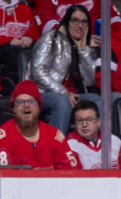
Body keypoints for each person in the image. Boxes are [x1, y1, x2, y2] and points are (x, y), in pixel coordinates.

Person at [29, 5, 101, 137]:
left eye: (84, 22)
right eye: (75, 20)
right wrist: (64, 92)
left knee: (96, 100)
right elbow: (37, 71)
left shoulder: (87, 45)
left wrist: (83, 50)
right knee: (63, 101)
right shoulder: (50, 38)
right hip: (43, 94)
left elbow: (90, 81)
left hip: (72, 95)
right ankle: (56, 145)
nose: (80, 26)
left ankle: (96, 144)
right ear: (67, 22)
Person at [0, 80, 79, 169]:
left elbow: (71, 170)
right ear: (13, 108)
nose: (26, 105)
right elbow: (3, 174)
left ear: (39, 107)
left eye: (31, 102)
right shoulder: (2, 138)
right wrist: (33, 175)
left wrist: (51, 174)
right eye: (20, 102)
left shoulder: (55, 135)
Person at [0, 0, 41, 96]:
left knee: (38, 49)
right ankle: (11, 90)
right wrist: (8, 40)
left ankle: (37, 88)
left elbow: (34, 32)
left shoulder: (25, 8)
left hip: (19, 48)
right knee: (15, 51)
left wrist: (29, 37)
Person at [66, 99, 121, 170]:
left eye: (89, 120)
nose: (84, 124)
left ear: (98, 122)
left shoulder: (114, 141)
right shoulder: (70, 146)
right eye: (79, 120)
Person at [33, 0, 121, 40]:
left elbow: (114, 19)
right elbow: (49, 27)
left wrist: (110, 39)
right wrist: (82, 39)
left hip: (100, 47)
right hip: (65, 51)